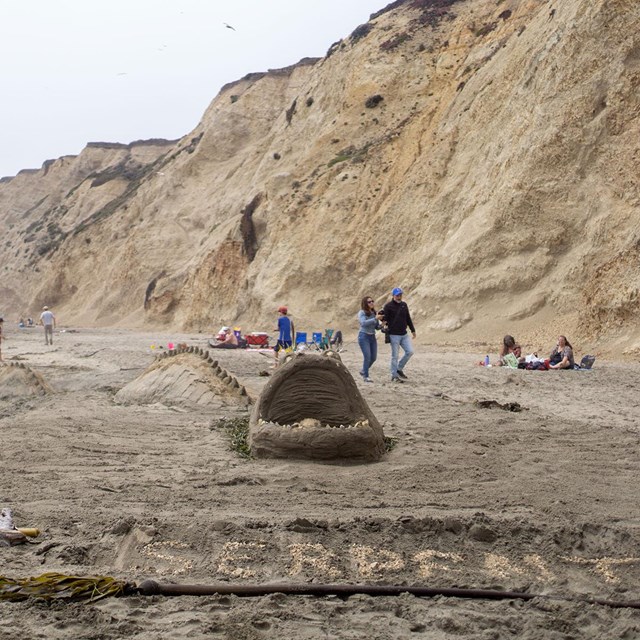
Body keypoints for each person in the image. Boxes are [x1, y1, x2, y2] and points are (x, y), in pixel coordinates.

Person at [382, 287, 416, 383]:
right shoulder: (388, 306)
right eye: (397, 295)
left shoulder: (404, 305)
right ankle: (394, 375)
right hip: (393, 335)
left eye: (400, 295)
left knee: (410, 352)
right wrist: (382, 323)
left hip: (404, 334)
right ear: (393, 296)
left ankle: (399, 368)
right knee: (395, 356)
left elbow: (408, 318)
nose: (399, 297)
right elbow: (385, 319)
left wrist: (412, 330)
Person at [357, 296, 383, 382]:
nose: (371, 303)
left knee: (373, 358)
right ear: (365, 304)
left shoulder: (374, 313)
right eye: (369, 302)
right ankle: (366, 376)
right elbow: (363, 323)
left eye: (372, 301)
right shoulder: (361, 313)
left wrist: (382, 325)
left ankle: (363, 370)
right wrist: (375, 318)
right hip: (364, 336)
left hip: (372, 337)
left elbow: (376, 327)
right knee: (367, 357)